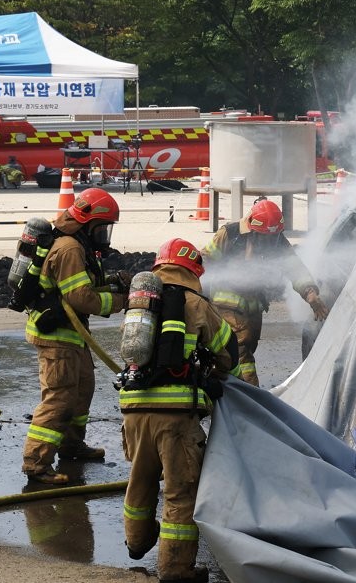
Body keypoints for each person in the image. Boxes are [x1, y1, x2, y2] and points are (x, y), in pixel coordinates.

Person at [119, 238, 236, 583]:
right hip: (176, 416)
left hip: (134, 410)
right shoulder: (197, 304)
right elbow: (227, 350)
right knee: (180, 493)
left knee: (140, 481)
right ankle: (175, 569)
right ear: (193, 270)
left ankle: (137, 542)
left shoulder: (140, 304)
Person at [22, 187, 129, 485]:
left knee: (82, 390)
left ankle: (71, 446)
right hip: (58, 338)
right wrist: (123, 301)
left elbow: (84, 282)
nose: (104, 234)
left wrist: (113, 282)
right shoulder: (69, 248)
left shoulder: (75, 245)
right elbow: (82, 298)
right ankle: (36, 463)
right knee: (59, 398)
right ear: (87, 223)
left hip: (71, 335)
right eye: (102, 227)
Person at [203, 198, 328, 386]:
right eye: (264, 237)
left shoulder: (277, 242)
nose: (269, 242)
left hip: (253, 309)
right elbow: (204, 261)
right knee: (240, 353)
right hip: (227, 307)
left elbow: (294, 268)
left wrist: (310, 293)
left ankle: (228, 391)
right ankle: (252, 399)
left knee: (241, 353)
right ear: (252, 230)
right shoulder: (230, 234)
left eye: (273, 237)